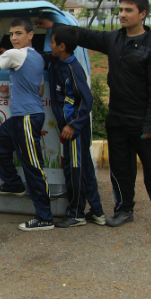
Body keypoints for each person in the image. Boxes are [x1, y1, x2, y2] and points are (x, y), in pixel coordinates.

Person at [56, 0, 151, 236]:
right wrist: (53, 24)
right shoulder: (115, 39)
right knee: (120, 169)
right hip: (118, 119)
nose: (122, 14)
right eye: (121, 9)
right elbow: (85, 36)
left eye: (128, 10)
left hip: (144, 123)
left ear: (142, 14)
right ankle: (124, 209)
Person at [0, 17, 54, 231]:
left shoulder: (16, 54)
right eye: (12, 34)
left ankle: (44, 217)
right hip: (23, 116)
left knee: (33, 166)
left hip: (26, 117)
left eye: (18, 33)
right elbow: (39, 90)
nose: (14, 37)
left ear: (30, 35)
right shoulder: (37, 58)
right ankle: (13, 184)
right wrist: (12, 89)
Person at [43, 25, 106, 227]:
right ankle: (97, 211)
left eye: (52, 42)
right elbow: (39, 57)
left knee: (76, 171)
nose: (49, 45)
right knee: (85, 170)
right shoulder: (57, 61)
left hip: (75, 132)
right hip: (70, 131)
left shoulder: (73, 69)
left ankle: (76, 214)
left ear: (62, 46)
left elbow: (86, 101)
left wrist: (73, 125)